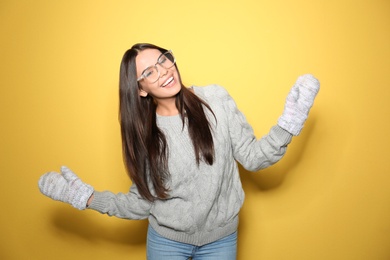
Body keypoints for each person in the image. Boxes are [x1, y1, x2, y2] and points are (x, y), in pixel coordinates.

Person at [38, 43, 320, 260]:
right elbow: (141, 203)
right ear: (140, 90)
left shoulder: (215, 99)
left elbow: (254, 158)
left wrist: (289, 122)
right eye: (149, 72)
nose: (163, 71)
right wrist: (85, 197)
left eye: (163, 59)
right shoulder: (145, 134)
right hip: (167, 244)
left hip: (221, 241)